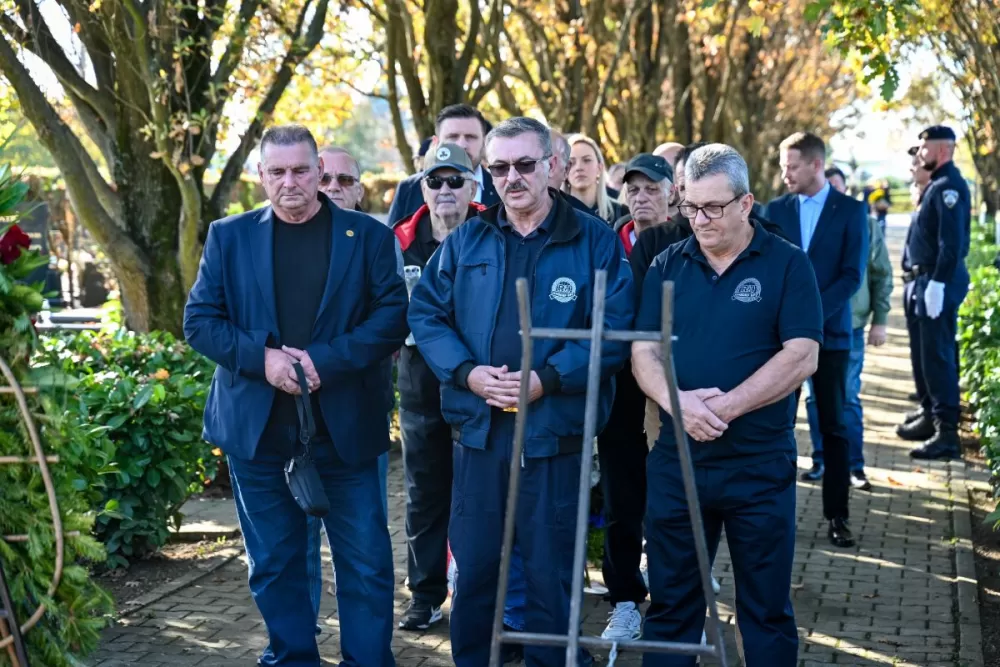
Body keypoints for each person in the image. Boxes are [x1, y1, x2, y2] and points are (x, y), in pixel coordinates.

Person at [407, 117, 634, 667]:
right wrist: (467, 373)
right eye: (500, 167)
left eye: (525, 164)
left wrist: (545, 379)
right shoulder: (468, 239)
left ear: (552, 167)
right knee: (479, 571)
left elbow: (614, 330)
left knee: (549, 572)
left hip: (553, 437)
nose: (513, 177)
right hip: (481, 437)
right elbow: (426, 314)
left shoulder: (594, 242)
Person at [183, 125, 408, 666]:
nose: (292, 182)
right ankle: (292, 657)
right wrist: (264, 359)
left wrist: (323, 362)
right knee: (275, 564)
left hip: (345, 432)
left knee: (366, 563)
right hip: (258, 436)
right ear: (261, 176)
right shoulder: (227, 236)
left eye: (302, 170)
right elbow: (199, 322)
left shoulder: (368, 237)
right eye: (278, 171)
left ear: (319, 172)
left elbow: (391, 319)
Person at [633, 143, 822, 667]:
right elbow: (643, 350)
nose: (699, 219)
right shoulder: (667, 264)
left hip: (758, 465)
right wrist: (680, 404)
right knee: (671, 606)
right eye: (691, 206)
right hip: (678, 464)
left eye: (713, 207)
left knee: (764, 610)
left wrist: (727, 407)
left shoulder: (788, 265)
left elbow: (802, 355)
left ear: (746, 203)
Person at [391, 143, 526, 641]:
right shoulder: (400, 239)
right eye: (435, 181)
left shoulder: (496, 232)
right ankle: (426, 595)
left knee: (488, 496)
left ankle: (493, 600)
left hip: (486, 383)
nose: (445, 190)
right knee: (426, 491)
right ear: (421, 187)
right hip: (422, 380)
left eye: (456, 180)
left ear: (476, 185)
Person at [766, 131, 867, 549]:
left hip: (833, 337)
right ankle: (772, 514)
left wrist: (810, 318)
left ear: (815, 165)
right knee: (778, 426)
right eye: (782, 165)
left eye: (791, 166)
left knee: (833, 425)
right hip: (780, 341)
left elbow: (851, 275)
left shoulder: (851, 211)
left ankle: (837, 516)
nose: (784, 173)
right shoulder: (775, 209)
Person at [596, 152, 673, 641]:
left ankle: (674, 595)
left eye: (651, 188)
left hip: (670, 388)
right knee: (622, 496)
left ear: (672, 193)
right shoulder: (606, 242)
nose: (641, 197)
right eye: (633, 188)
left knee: (670, 495)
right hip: (619, 387)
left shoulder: (688, 241)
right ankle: (624, 599)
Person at [802, 167, 892, 492]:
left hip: (850, 327)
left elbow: (881, 275)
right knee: (814, 400)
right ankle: (820, 460)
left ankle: (854, 466)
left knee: (848, 398)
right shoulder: (805, 227)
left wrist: (880, 320)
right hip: (810, 328)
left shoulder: (865, 224)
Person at [897, 125, 970, 460]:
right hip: (923, 282)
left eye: (924, 147)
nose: (920, 152)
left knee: (938, 357)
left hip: (935, 282)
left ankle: (947, 434)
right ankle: (930, 416)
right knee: (924, 355)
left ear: (942, 150)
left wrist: (939, 282)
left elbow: (951, 244)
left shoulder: (948, 187)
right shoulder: (936, 187)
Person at [387, 104, 500, 223]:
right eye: (453, 136)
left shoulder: (501, 188)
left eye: (470, 137)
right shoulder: (409, 189)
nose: (462, 145)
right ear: (436, 143)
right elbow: (393, 239)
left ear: (484, 143)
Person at [564, 133, 625, 224]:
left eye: (587, 160)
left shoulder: (621, 214)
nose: (579, 167)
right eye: (572, 162)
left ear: (599, 168)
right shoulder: (552, 214)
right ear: (564, 170)